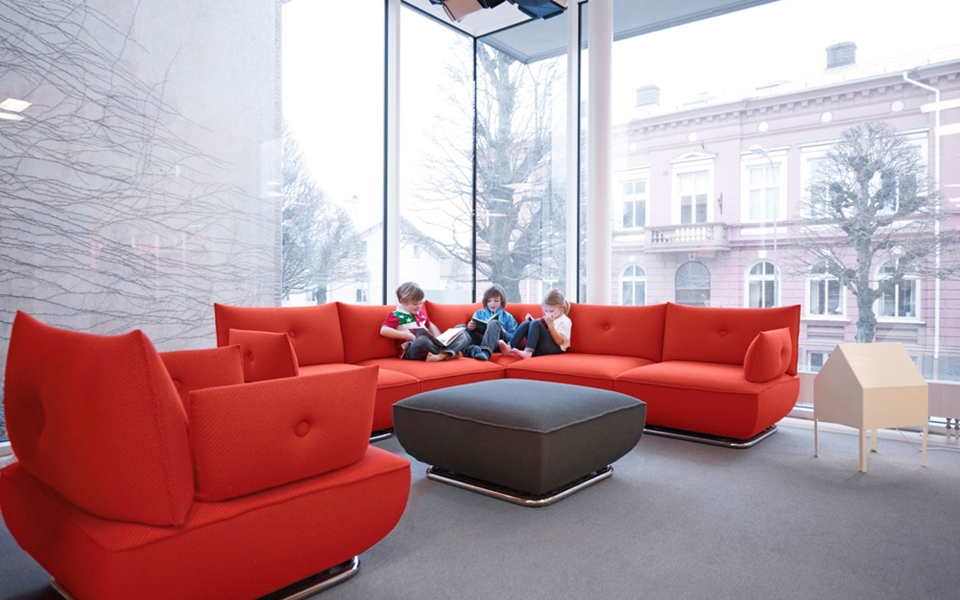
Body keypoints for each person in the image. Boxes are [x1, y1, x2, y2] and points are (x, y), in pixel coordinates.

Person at [380, 281, 464, 361]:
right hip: (411, 349)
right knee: (422, 340)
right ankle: (448, 354)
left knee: (462, 334)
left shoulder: (420, 313)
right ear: (402, 301)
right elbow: (384, 330)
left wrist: (439, 339)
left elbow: (429, 325)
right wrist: (406, 335)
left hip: (430, 346)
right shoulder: (396, 315)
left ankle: (441, 356)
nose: (419, 306)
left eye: (420, 303)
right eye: (415, 304)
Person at [498, 289, 572, 360]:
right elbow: (540, 329)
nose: (548, 314)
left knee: (536, 323)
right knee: (528, 323)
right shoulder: (549, 318)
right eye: (546, 311)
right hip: (539, 347)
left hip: (555, 349)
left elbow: (559, 341)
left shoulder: (564, 321)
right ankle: (509, 347)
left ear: (561, 307)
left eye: (551, 311)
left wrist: (550, 324)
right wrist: (531, 321)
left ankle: (528, 352)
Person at [463, 284, 520, 361]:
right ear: (485, 301)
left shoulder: (508, 317)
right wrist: (470, 326)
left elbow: (514, 339)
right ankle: (473, 350)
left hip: (498, 343)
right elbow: (471, 332)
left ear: (501, 301)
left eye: (496, 301)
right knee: (460, 328)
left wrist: (504, 332)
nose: (492, 304)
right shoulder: (478, 314)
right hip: (480, 341)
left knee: (494, 323)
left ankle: (486, 352)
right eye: (489, 301)